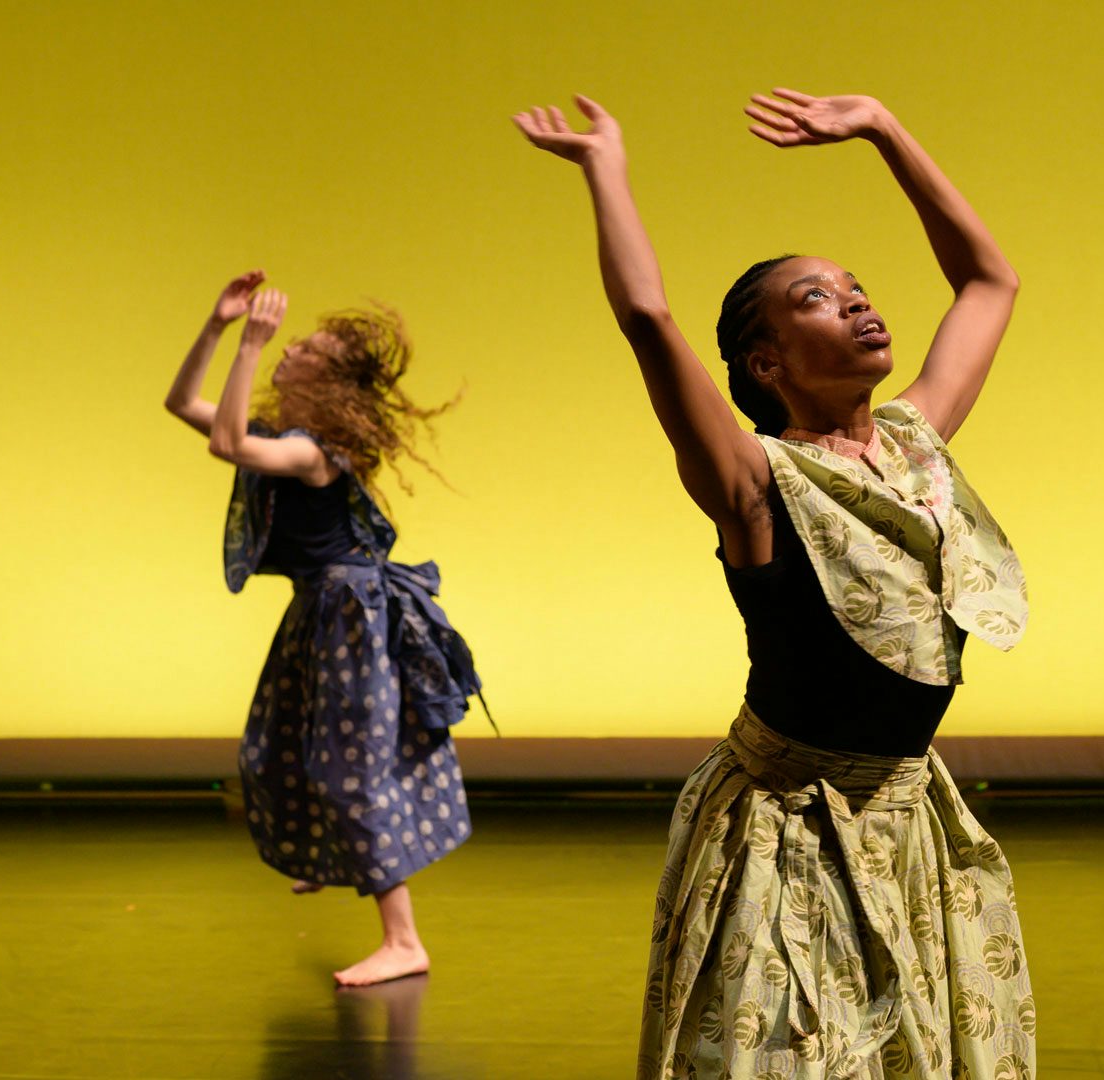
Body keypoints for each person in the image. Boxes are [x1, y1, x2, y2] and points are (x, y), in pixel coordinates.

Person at [515, 91, 1035, 1078]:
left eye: (855, 286)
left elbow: (988, 281)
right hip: (787, 825)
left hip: (907, 818)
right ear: (766, 361)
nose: (854, 302)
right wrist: (606, 168)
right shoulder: (755, 481)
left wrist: (885, 127)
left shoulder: (918, 442)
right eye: (815, 299)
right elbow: (644, 315)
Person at [163, 270, 483, 987]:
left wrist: (249, 344)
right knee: (283, 750)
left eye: (304, 346)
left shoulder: (314, 451)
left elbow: (228, 446)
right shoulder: (290, 435)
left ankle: (404, 941)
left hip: (352, 618)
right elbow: (183, 403)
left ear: (329, 379)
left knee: (350, 770)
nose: (290, 347)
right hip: (321, 611)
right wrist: (216, 328)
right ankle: (334, 859)